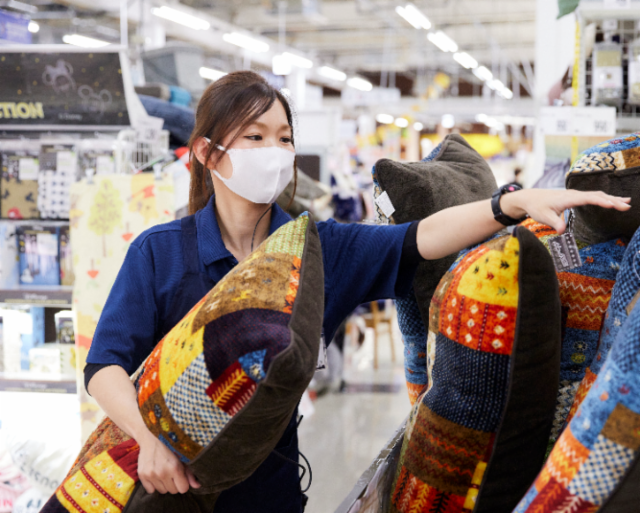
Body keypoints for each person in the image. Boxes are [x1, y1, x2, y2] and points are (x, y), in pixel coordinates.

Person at [84, 71, 631, 513]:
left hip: (269, 494)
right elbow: (105, 365)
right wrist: (149, 439)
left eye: (284, 138)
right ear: (206, 152)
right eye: (255, 137)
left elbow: (418, 238)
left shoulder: (318, 251)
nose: (275, 152)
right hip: (167, 491)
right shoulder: (159, 253)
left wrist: (507, 205)